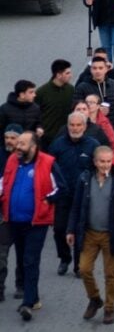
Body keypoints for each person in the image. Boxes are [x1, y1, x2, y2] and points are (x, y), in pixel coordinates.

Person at [1, 131, 63, 321]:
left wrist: (47, 200)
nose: (18, 147)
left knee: (30, 260)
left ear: (34, 146)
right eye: (18, 143)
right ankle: (33, 297)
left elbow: (62, 188)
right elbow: (5, 182)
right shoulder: (12, 160)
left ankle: (27, 303)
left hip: (37, 222)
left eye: (22, 144)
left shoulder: (48, 162)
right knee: (21, 259)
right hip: (14, 221)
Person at [66, 146, 114, 325]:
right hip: (90, 233)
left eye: (109, 161)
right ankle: (95, 299)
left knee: (110, 274)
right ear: (95, 162)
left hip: (111, 235)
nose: (105, 165)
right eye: (102, 161)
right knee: (84, 268)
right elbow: (76, 206)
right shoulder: (84, 179)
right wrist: (71, 230)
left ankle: (109, 308)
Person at [48, 112, 99, 278]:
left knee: (80, 231)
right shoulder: (57, 145)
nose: (75, 128)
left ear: (84, 126)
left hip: (84, 196)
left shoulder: (93, 145)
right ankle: (64, 258)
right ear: (68, 126)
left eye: (78, 125)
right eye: (72, 125)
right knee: (59, 229)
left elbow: (100, 169)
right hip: (63, 195)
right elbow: (48, 169)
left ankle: (79, 265)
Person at [74, 56, 114, 132]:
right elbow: (76, 110)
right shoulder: (82, 87)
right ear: (91, 70)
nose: (97, 71)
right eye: (94, 68)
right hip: (91, 131)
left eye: (100, 68)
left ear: (106, 69)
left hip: (113, 129)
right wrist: (96, 110)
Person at [0, 124, 23, 302]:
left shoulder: (27, 157)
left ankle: (21, 286)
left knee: (23, 254)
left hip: (23, 213)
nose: (9, 141)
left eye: (13, 138)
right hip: (4, 214)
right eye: (7, 137)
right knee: (2, 253)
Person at [35, 59, 74, 150]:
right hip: (46, 139)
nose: (71, 76)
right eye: (67, 73)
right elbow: (35, 114)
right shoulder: (42, 92)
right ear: (58, 75)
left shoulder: (71, 90)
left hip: (66, 137)